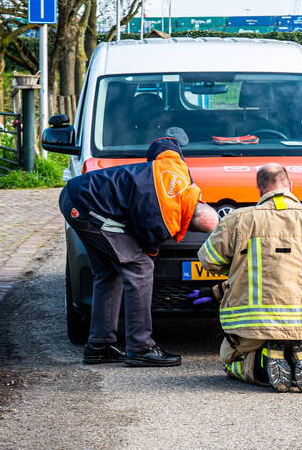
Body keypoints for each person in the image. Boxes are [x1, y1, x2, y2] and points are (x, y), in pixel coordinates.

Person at [59, 136, 219, 367]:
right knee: (140, 268)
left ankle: (99, 346)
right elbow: (147, 248)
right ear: (189, 222)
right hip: (86, 206)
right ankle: (140, 348)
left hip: (80, 193)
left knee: (108, 273)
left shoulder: (179, 170)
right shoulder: (162, 220)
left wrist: (166, 150)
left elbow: (164, 145)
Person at [196, 163, 302, 392]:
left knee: (230, 360)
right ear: (290, 184)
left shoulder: (236, 220)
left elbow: (210, 261)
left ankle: (260, 363)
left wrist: (239, 268)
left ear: (259, 189)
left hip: (254, 321)